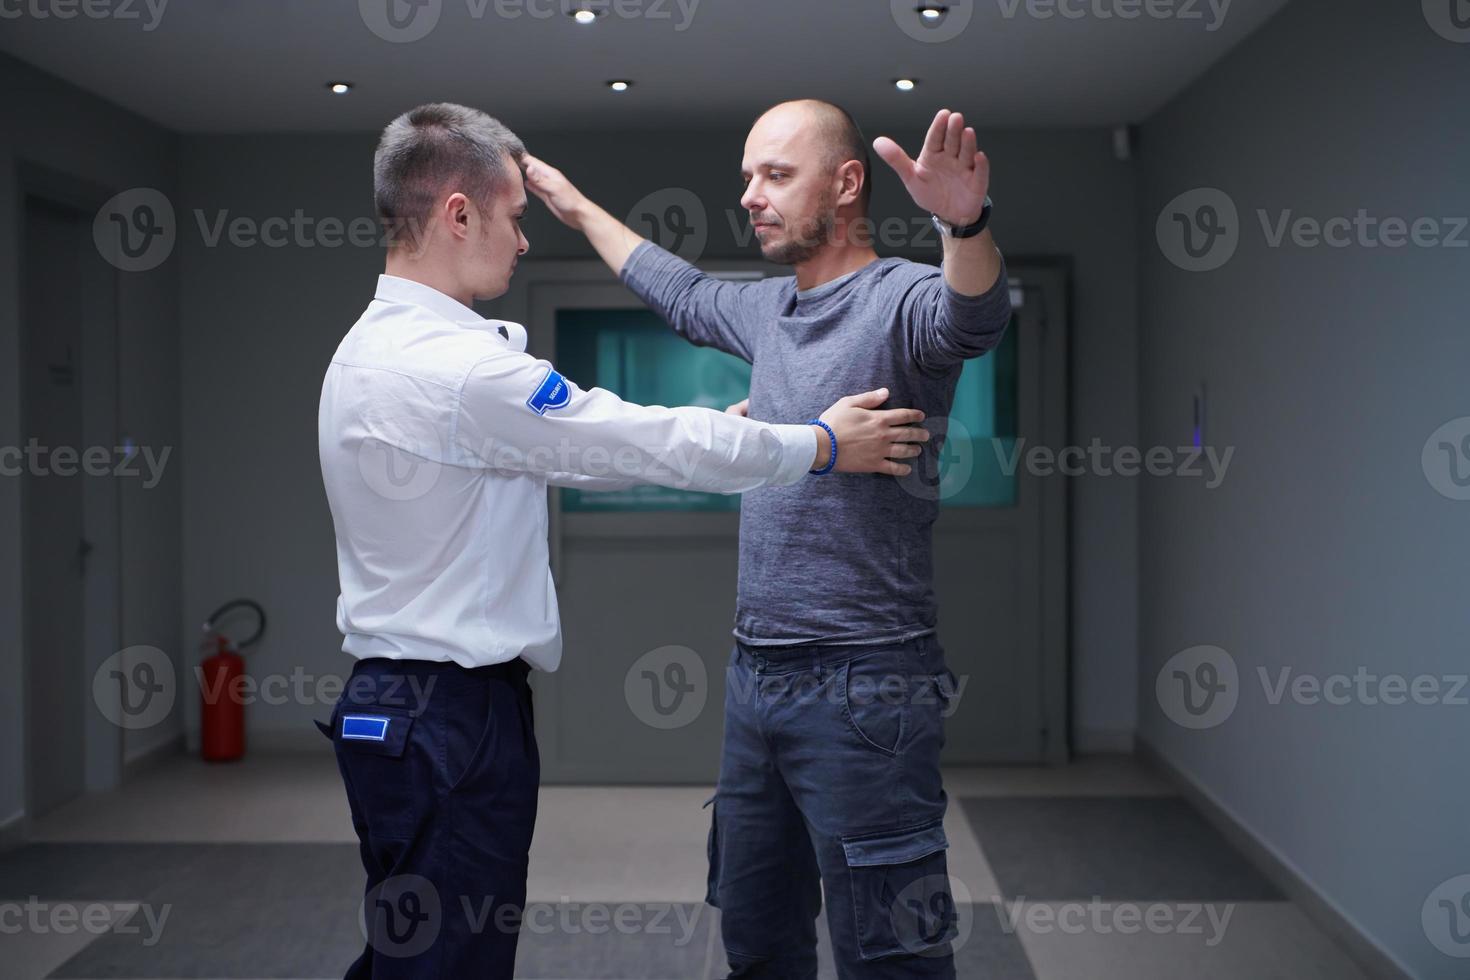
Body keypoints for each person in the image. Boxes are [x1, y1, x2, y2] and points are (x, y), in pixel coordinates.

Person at [315, 101, 932, 978]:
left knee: (408, 950)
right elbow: (637, 439)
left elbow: (577, 451)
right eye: (514, 220)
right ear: (459, 214)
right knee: (449, 962)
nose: (524, 244)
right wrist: (821, 444)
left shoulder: (366, 349)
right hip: (452, 719)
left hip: (391, 712)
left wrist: (730, 437)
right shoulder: (463, 369)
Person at [524, 99, 1012, 977]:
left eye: (776, 176)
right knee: (757, 941)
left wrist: (965, 222)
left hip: (867, 680)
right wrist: (572, 205)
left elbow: (972, 318)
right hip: (757, 680)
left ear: (846, 183)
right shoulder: (769, 313)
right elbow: (678, 288)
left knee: (891, 955)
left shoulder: (897, 298)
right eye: (746, 177)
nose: (750, 195)